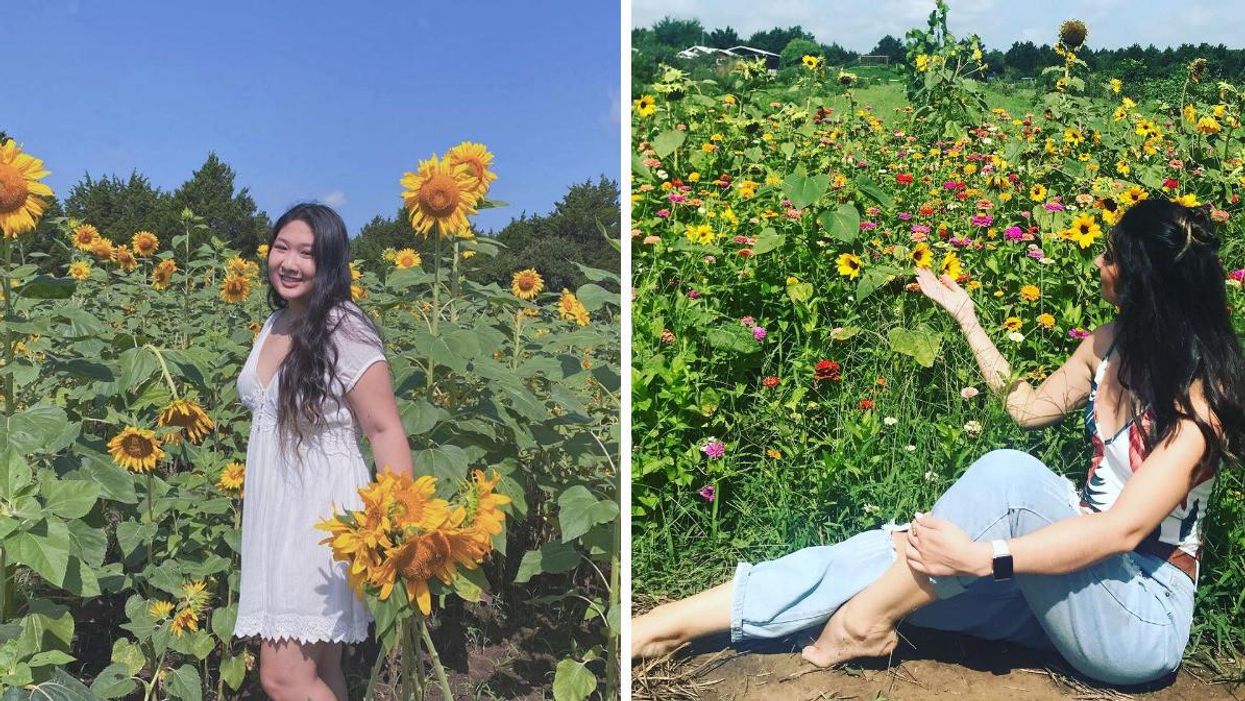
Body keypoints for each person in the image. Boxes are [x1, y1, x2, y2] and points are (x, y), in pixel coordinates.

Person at [631, 199, 1244, 686]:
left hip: (1134, 618)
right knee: (898, 552)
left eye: (1112, 256)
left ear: (1144, 280)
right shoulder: (1108, 343)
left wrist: (982, 559)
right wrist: (967, 318)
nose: (1099, 264)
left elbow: (1121, 532)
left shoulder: (1201, 399)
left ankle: (863, 626)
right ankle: (665, 626)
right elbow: (1025, 408)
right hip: (1063, 580)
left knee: (1006, 481)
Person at [232, 203, 413, 701]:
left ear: (329, 263)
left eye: (307, 254)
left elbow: (384, 430)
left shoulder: (343, 328)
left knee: (283, 678)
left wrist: (394, 522)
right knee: (320, 668)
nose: (289, 263)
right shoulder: (277, 322)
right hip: (278, 513)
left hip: (321, 517)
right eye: (281, 248)